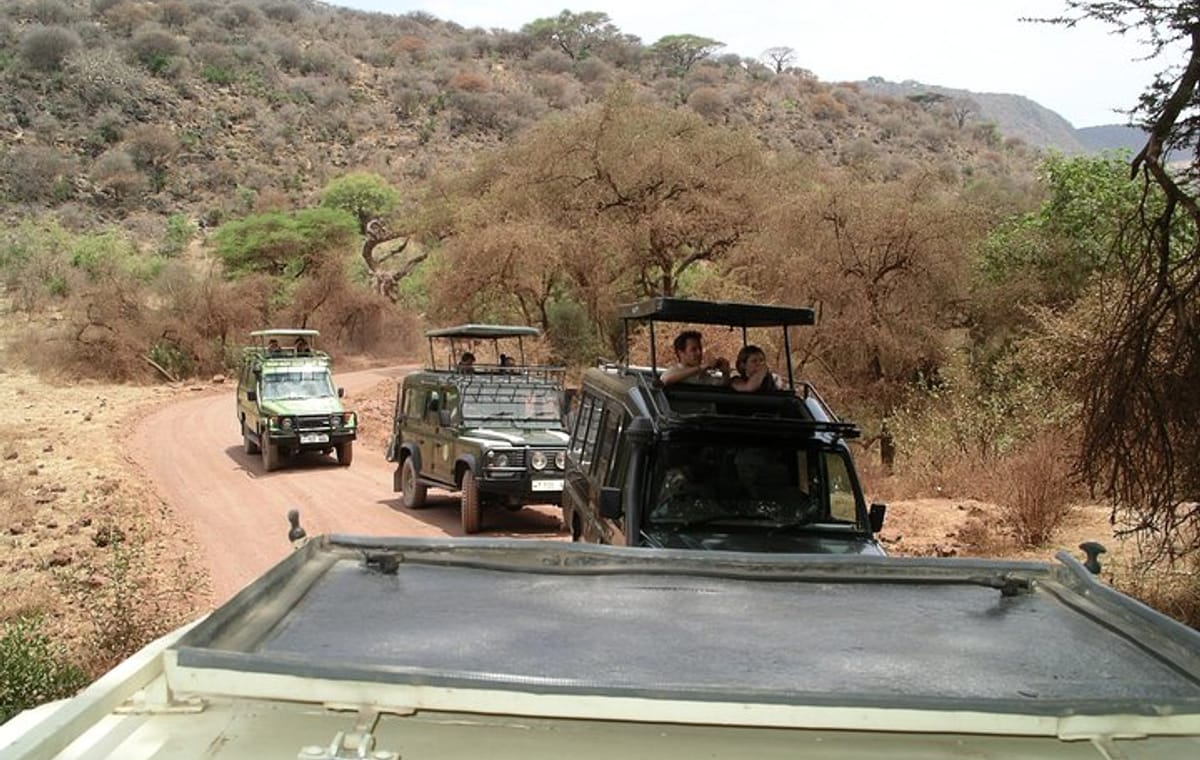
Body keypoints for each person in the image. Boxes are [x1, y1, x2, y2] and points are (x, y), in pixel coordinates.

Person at [660, 330, 730, 386]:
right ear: (681, 353)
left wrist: (725, 372)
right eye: (693, 350)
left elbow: (722, 384)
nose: (699, 353)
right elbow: (665, 380)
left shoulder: (703, 375)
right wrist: (701, 367)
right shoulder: (675, 371)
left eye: (700, 349)